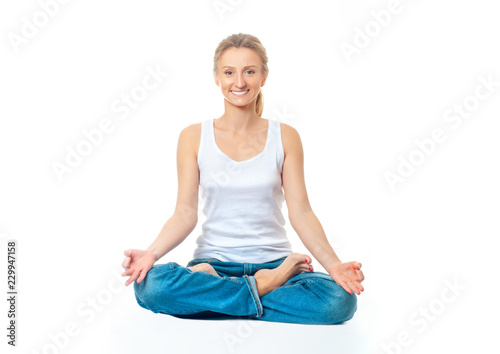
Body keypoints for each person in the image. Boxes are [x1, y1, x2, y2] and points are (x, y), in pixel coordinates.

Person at [121, 33, 365, 325]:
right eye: (229, 72)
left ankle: (219, 299)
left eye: (249, 71)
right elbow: (184, 213)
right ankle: (262, 287)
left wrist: (334, 266)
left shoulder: (285, 136)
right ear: (216, 77)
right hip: (213, 265)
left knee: (339, 302)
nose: (239, 82)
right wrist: (151, 253)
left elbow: (301, 212)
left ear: (263, 77)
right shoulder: (192, 137)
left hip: (275, 261)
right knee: (150, 287)